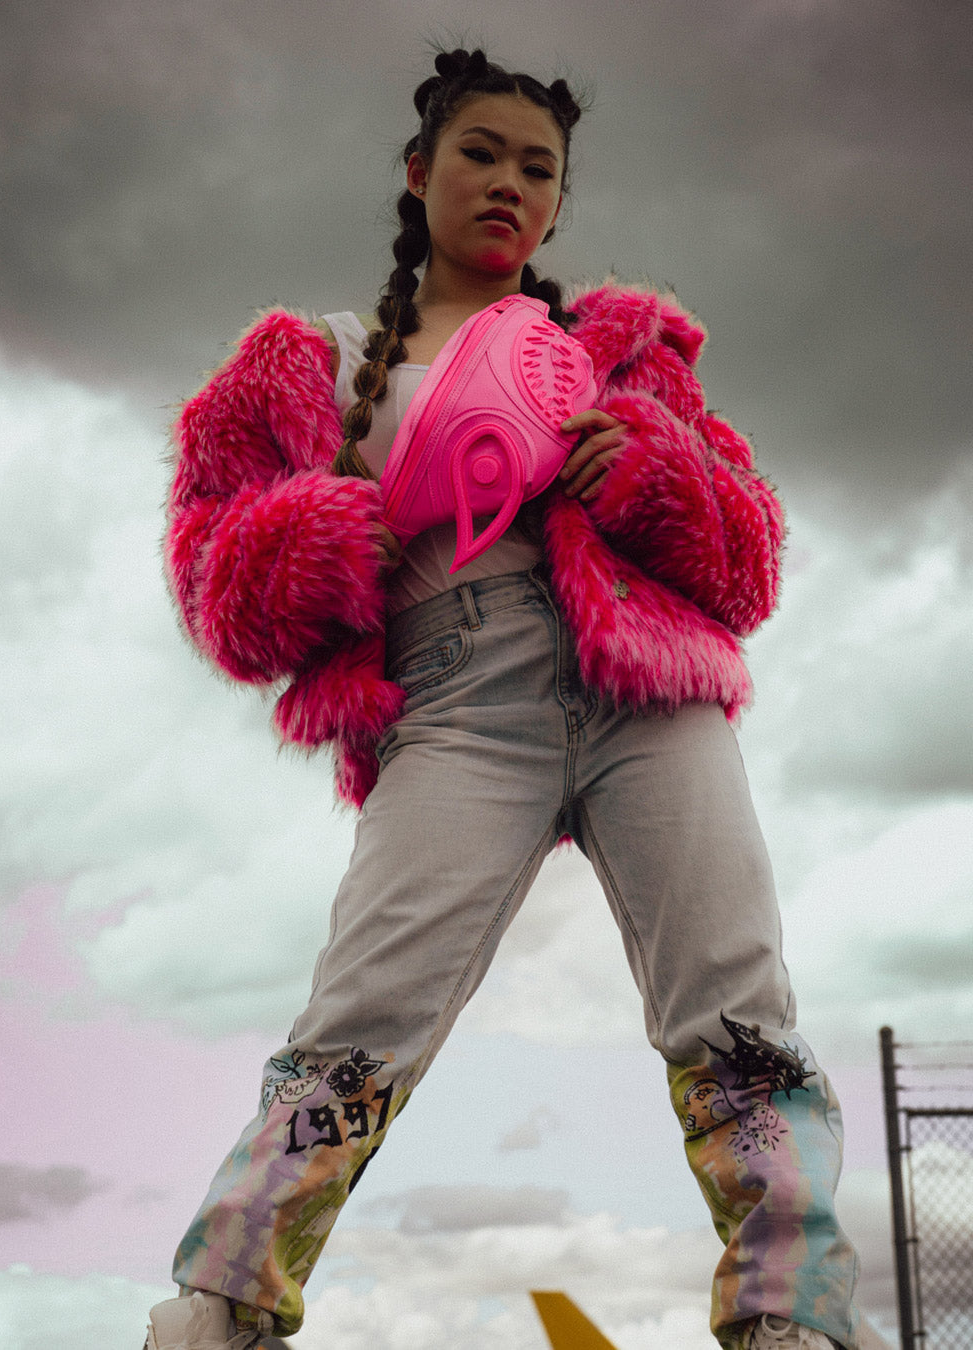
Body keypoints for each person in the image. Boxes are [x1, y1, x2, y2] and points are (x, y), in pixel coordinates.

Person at [146, 47, 862, 1350]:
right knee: (361, 1015)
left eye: (541, 169)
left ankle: (793, 1320)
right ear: (418, 170)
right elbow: (214, 587)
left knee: (738, 1010)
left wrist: (653, 470)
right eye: (482, 153)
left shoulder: (622, 353)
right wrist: (328, 533)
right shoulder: (309, 363)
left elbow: (750, 562)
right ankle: (222, 1309)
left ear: (558, 201)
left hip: (649, 695)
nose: (510, 184)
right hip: (456, 705)